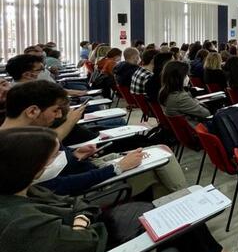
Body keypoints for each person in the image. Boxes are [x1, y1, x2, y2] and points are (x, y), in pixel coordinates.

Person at [0, 127, 238, 252]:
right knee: (180, 222)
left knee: (176, 210)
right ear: (31, 167)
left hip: (95, 242)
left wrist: (80, 219)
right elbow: (83, 242)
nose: (57, 160)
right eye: (51, 158)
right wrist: (82, 220)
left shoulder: (25, 191)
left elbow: (80, 204)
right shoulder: (18, 223)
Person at [1, 81, 187, 198]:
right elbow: (54, 187)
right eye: (55, 110)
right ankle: (186, 210)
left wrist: (74, 154)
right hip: (90, 188)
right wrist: (117, 167)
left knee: (160, 154)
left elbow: (53, 169)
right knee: (163, 161)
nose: (58, 116)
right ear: (32, 111)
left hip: (91, 170)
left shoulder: (24, 134)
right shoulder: (17, 146)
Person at [160, 60, 212, 127]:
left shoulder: (164, 92)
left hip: (183, 128)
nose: (188, 77)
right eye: (186, 75)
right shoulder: (180, 97)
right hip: (196, 128)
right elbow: (206, 113)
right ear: (179, 78)